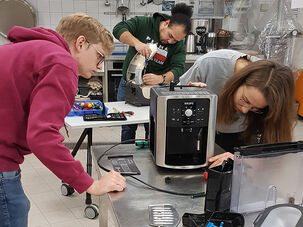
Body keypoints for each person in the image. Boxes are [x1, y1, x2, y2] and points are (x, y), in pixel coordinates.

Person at [0, 13, 126, 227]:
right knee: (13, 211)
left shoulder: (33, 50)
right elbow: (41, 136)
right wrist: (90, 184)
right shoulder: (62, 62)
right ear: (80, 43)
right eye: (99, 56)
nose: (99, 66)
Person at [179, 49, 296, 167]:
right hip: (199, 131)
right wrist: (188, 97)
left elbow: (274, 153)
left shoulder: (273, 83)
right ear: (239, 81)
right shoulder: (211, 64)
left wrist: (243, 159)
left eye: (255, 109)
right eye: (245, 100)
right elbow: (170, 99)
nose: (244, 110)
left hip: (240, 136)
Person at [113, 3, 192, 142]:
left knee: (152, 126)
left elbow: (178, 69)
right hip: (129, 85)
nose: (171, 41)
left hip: (156, 90)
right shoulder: (144, 23)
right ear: (166, 23)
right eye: (170, 36)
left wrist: (160, 78)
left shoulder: (178, 45)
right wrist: (137, 43)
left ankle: (150, 158)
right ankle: (125, 154)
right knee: (127, 126)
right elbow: (118, 29)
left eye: (175, 40)